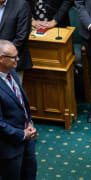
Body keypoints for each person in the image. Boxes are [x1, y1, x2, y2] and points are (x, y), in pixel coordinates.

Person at [0, 40, 37, 180]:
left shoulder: (12, 72)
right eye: (13, 57)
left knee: (29, 175)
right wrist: (21, 134)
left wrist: (29, 124)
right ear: (1, 59)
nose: (18, 59)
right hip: (8, 148)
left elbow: (21, 104)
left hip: (27, 141)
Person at [0, 0, 32, 84]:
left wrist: (3, 57)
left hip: (12, 62)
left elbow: (22, 37)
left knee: (13, 95)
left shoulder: (21, 4)